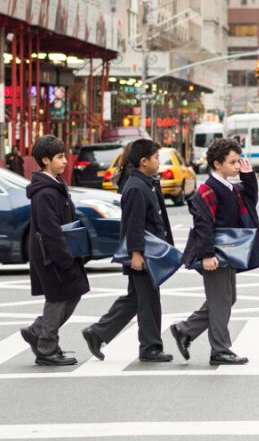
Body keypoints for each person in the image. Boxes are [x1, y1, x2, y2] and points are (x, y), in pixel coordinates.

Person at [171, 137, 259, 365]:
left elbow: (251, 200)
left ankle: (185, 330)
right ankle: (220, 350)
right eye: (233, 162)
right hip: (215, 254)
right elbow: (203, 224)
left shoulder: (230, 186)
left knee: (227, 298)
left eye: (238, 161)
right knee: (221, 301)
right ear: (217, 164)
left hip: (228, 251)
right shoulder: (208, 190)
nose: (237, 166)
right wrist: (207, 255)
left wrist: (248, 176)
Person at [83, 138, 175, 363]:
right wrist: (136, 253)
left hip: (147, 252)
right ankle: (150, 347)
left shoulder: (144, 182)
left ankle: (98, 332)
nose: (159, 161)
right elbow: (134, 223)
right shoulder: (136, 187)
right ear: (144, 161)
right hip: (143, 254)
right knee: (148, 301)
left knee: (135, 299)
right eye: (156, 158)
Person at [21, 135, 88, 366]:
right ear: (45, 160)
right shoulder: (44, 192)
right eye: (60, 157)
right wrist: (64, 257)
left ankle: (38, 331)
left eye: (64, 156)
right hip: (51, 254)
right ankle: (46, 349)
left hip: (62, 251)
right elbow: (50, 230)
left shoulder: (56, 185)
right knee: (58, 298)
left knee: (73, 292)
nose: (65, 161)